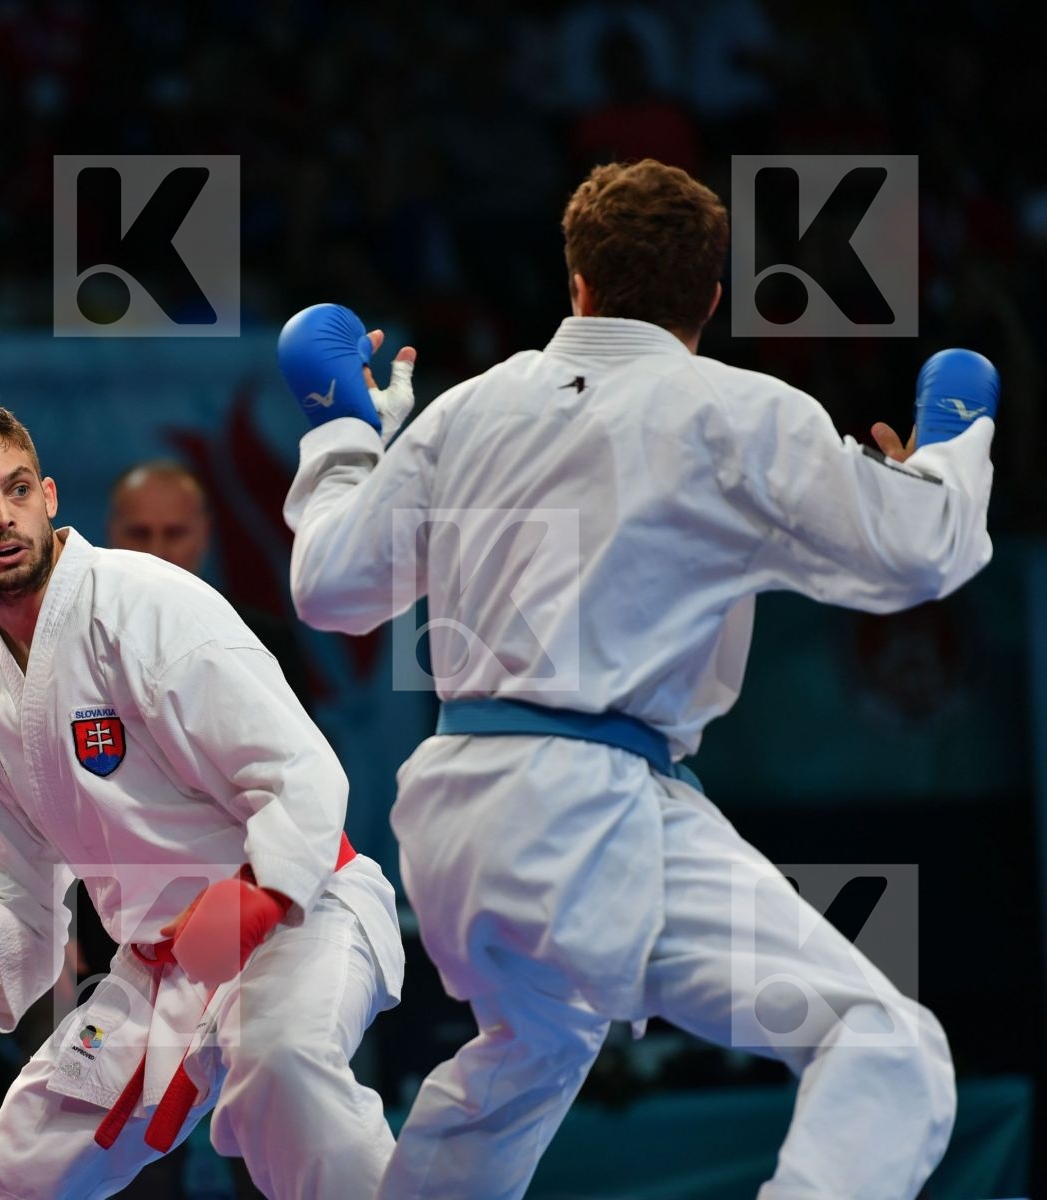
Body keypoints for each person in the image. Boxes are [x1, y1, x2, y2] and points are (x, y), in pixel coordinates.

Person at [278, 158, 989, 1199]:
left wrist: (345, 428)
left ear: (576, 284)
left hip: (453, 813)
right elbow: (924, 555)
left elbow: (330, 588)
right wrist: (951, 447)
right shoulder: (740, 414)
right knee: (883, 1041)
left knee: (531, 1051)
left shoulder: (466, 411)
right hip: (591, 813)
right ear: (710, 296)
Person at [0, 403, 405, 1198]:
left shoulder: (147, 603)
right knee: (16, 1173)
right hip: (156, 974)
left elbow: (301, 772)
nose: (2, 516)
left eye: (15, 490)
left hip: (300, 914)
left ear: (48, 496)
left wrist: (256, 899)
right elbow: (15, 898)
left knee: (282, 1071)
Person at [106, 460, 312, 707]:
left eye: (174, 533)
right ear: (112, 531)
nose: (156, 552)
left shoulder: (260, 640)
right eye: (139, 533)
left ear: (205, 532)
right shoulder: (79, 635)